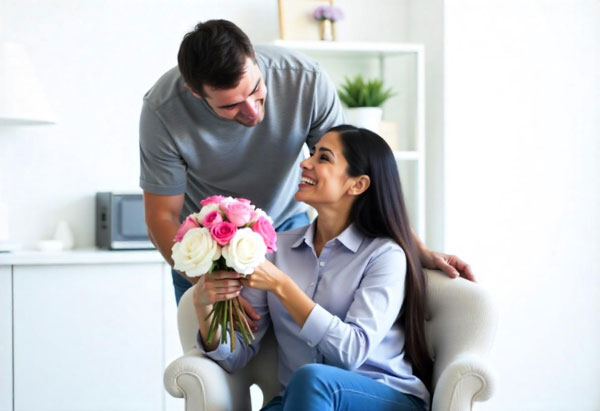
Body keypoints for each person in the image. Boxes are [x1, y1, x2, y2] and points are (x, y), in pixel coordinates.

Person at [139, 19, 474, 307]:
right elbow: (162, 216)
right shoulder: (162, 110)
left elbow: (351, 175)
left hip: (289, 231)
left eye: (256, 90)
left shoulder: (305, 79)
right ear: (196, 93)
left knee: (292, 356)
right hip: (205, 246)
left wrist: (417, 248)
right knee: (216, 365)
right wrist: (203, 280)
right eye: (231, 106)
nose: (253, 112)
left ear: (254, 58)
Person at [192, 125, 433, 410]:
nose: (306, 163)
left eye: (323, 157)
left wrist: (283, 286)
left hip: (381, 396)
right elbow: (235, 356)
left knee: (311, 380)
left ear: (357, 185)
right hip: (297, 401)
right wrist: (203, 305)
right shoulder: (275, 249)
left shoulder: (385, 255)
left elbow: (351, 353)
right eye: (312, 153)